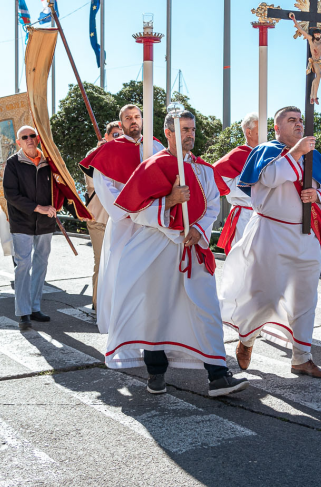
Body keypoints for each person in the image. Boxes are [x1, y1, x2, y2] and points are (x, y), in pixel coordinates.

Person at [108, 110, 248, 397]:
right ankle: (155, 372)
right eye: (183, 129)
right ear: (168, 133)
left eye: (192, 129)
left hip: (192, 247)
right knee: (156, 310)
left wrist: (198, 228)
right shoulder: (153, 166)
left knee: (207, 307)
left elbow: (211, 206)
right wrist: (170, 201)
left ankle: (218, 375)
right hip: (157, 250)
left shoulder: (203, 169)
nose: (190, 134)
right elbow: (135, 212)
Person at [220, 106, 321, 379]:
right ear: (277, 128)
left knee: (306, 298)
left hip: (306, 235)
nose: (299, 124)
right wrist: (296, 152)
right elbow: (270, 178)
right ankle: (247, 339)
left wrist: (317, 195)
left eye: (301, 120)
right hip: (270, 234)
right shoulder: (264, 151)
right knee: (266, 295)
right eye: (291, 120)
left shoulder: (315, 156)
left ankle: (302, 358)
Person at [80, 104, 165, 332]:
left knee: (151, 273)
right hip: (124, 222)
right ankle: (119, 323)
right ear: (122, 123)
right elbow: (103, 185)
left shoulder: (156, 146)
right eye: (128, 118)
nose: (133, 121)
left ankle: (149, 323)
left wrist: (153, 209)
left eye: (137, 116)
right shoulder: (110, 150)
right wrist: (131, 209)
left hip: (151, 222)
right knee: (119, 269)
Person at [3, 126, 62, 330]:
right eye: (24, 137)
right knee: (23, 265)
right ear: (18, 142)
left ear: (38, 139)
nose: (29, 139)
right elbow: (11, 194)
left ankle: (35, 307)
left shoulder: (49, 162)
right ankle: (23, 312)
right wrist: (39, 208)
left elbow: (59, 189)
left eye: (32, 136)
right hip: (22, 222)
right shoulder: (13, 163)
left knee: (41, 264)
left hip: (45, 223)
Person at [82, 121, 121, 308]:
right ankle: (98, 305)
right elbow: (92, 183)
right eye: (115, 134)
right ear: (106, 136)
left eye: (121, 135)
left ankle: (115, 303)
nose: (118, 138)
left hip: (119, 219)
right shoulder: (93, 155)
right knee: (101, 261)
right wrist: (102, 154)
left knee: (119, 263)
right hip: (98, 218)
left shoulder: (126, 156)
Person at [212, 112, 261, 254]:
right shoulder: (239, 154)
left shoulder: (269, 153)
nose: (265, 133)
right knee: (242, 261)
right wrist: (252, 189)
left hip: (266, 216)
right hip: (244, 215)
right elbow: (216, 177)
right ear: (249, 132)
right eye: (260, 129)